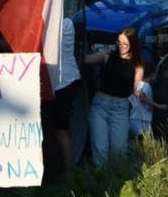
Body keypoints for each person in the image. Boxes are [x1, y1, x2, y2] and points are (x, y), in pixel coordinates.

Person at [86, 27, 144, 167]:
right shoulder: (108, 55)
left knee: (118, 153)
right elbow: (85, 59)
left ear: (132, 45)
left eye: (125, 44)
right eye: (119, 43)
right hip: (100, 105)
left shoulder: (137, 66)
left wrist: (140, 91)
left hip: (120, 109)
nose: (121, 47)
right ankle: (100, 185)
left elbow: (137, 89)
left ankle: (116, 183)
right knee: (100, 152)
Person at [42, 17, 82, 178]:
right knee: (56, 130)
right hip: (65, 81)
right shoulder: (68, 22)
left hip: (62, 83)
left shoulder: (59, 25)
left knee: (60, 130)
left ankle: (70, 174)